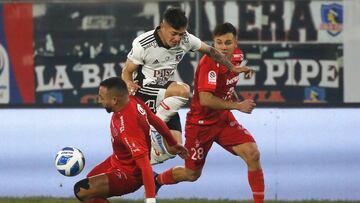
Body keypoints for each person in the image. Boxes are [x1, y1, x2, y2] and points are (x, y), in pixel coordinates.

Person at [122, 7, 253, 165]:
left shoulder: (186, 40)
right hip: (144, 92)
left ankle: (144, 161)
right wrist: (128, 83)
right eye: (174, 33)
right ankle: (155, 129)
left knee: (174, 148)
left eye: (181, 34)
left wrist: (233, 68)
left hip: (164, 96)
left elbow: (211, 51)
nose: (178, 39)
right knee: (183, 90)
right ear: (162, 26)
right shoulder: (143, 44)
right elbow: (127, 72)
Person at [154, 23, 265, 203]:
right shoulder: (209, 63)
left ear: (235, 42)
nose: (223, 47)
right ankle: (157, 180)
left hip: (223, 120)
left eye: (228, 43)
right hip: (200, 125)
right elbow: (205, 100)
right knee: (192, 174)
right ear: (214, 43)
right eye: (219, 43)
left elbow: (227, 84)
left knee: (253, 154)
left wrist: (234, 97)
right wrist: (238, 106)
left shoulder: (237, 56)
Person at [73, 77, 188, 203]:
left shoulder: (128, 126)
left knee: (81, 191)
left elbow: (145, 166)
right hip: (116, 160)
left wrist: (150, 200)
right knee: (90, 181)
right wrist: (173, 143)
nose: (99, 100)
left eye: (102, 97)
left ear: (115, 100)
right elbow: (154, 119)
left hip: (129, 175)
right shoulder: (133, 100)